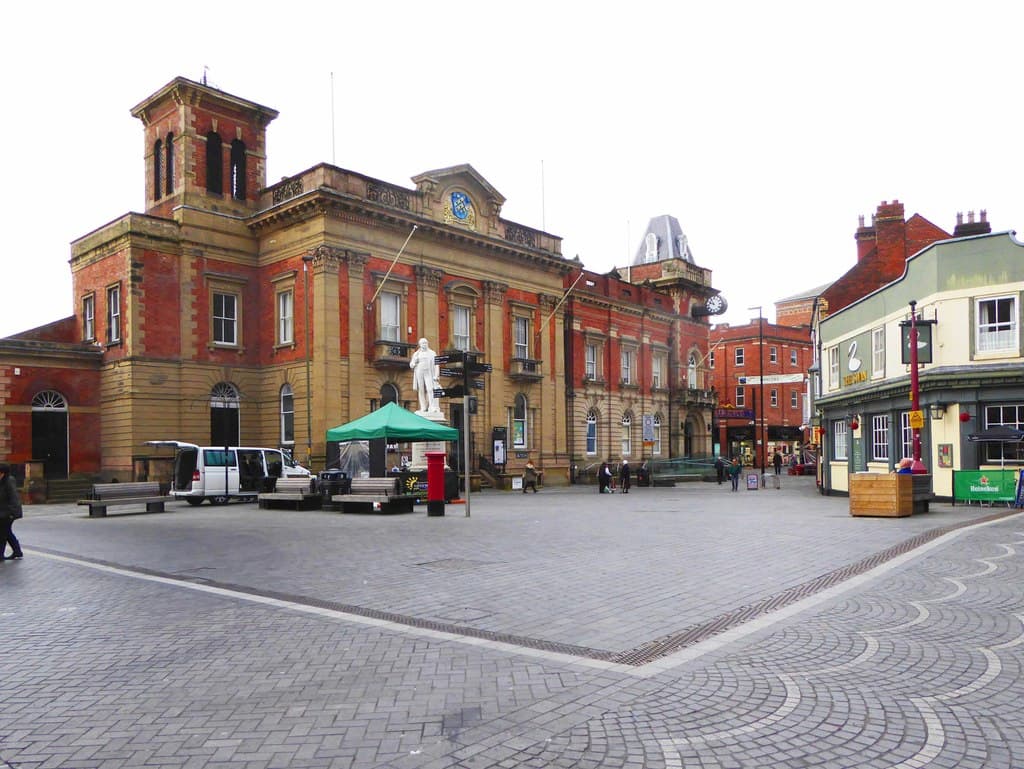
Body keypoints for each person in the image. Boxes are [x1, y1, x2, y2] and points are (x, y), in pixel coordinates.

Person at [409, 338, 440, 413]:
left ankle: (432, 406)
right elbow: (411, 365)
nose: (424, 344)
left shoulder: (432, 353)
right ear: (420, 344)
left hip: (429, 372)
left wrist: (436, 375)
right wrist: (415, 362)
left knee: (430, 389)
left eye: (426, 343)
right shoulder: (416, 354)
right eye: (423, 343)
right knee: (421, 390)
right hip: (419, 372)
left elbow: (437, 365)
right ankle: (423, 407)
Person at [0, 463, 24, 561]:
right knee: (7, 532)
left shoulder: (9, 481)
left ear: (3, 473)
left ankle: (0, 555)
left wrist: (11, 513)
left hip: (8, 513)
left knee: (2, 534)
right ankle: (17, 551)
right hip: (3, 512)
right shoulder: (2, 481)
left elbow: (14, 499)